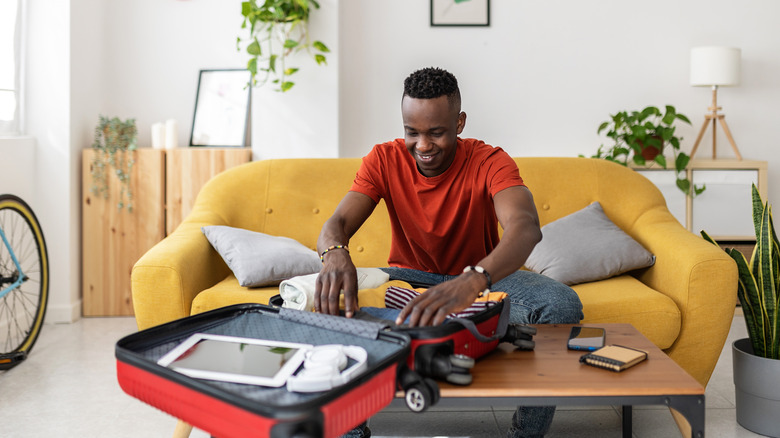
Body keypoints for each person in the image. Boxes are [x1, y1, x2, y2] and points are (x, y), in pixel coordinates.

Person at [315, 67, 584, 438]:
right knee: (330, 304)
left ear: (459, 123)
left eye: (436, 133)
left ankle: (525, 435)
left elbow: (525, 227)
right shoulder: (383, 159)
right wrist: (334, 252)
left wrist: (473, 279)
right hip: (406, 279)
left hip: (482, 281)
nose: (422, 145)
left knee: (562, 304)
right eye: (413, 132)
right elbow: (337, 224)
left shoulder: (490, 161)